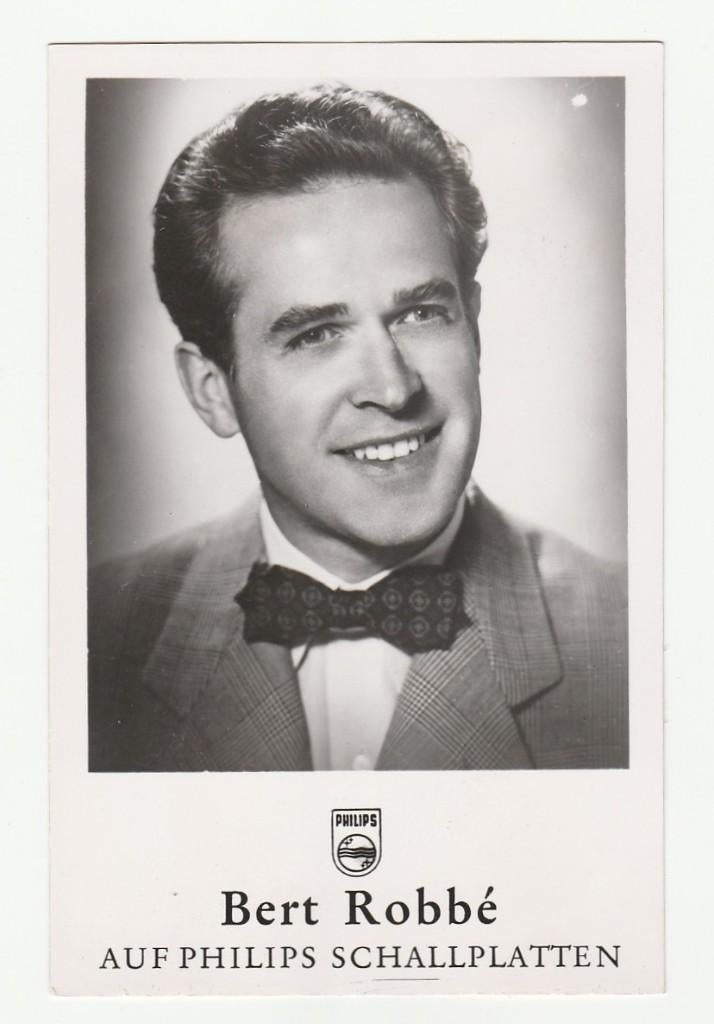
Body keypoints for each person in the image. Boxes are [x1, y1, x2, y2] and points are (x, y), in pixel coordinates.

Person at [88, 84, 627, 772]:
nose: (393, 388)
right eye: (316, 334)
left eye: (421, 314)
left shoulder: (640, 638)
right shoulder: (84, 635)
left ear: (474, 327)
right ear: (212, 390)